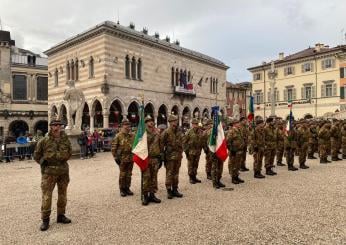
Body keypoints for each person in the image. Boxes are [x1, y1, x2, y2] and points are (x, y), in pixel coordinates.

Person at [33, 119, 72, 231]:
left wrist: (63, 159)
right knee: (47, 196)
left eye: (59, 125)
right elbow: (36, 155)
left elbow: (69, 152)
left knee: (62, 194)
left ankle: (61, 215)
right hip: (49, 173)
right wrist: (43, 164)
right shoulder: (44, 141)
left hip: (63, 172)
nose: (57, 127)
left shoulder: (65, 140)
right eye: (55, 125)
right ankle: (45, 220)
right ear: (50, 127)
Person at [161, 115, 184, 199]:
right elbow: (161, 145)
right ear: (170, 122)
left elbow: (182, 142)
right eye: (173, 121)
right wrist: (162, 157)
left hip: (178, 156)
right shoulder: (166, 132)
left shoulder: (179, 131)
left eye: (176, 121)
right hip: (169, 157)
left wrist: (181, 151)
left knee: (176, 174)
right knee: (169, 174)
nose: (175, 122)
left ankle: (175, 189)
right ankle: (168, 190)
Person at [111, 118, 134, 197]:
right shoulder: (118, 136)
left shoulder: (132, 135)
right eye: (126, 125)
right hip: (122, 158)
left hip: (131, 157)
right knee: (123, 175)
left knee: (129, 174)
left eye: (129, 125)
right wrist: (116, 158)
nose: (128, 127)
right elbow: (114, 148)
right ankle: (122, 189)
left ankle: (127, 188)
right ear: (122, 126)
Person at [142, 115, 161, 205]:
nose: (151, 122)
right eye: (149, 121)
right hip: (146, 159)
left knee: (154, 178)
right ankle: (145, 196)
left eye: (152, 121)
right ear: (145, 123)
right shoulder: (142, 133)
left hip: (155, 158)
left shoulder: (157, 132)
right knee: (146, 178)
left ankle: (152, 194)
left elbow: (160, 145)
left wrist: (161, 156)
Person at [183, 118, 203, 184]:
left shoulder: (200, 131)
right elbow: (184, 142)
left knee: (196, 165)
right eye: (194, 124)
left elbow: (201, 140)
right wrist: (186, 152)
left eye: (197, 124)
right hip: (191, 152)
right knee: (190, 165)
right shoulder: (188, 132)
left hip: (197, 152)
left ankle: (194, 177)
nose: (196, 125)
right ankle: (191, 178)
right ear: (192, 124)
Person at [226, 119, 245, 184]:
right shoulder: (231, 131)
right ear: (234, 124)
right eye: (237, 123)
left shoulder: (239, 130)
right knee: (233, 164)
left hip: (239, 150)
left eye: (239, 123)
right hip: (234, 151)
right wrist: (231, 149)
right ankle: (233, 178)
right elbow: (228, 141)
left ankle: (236, 176)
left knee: (238, 165)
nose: (239, 124)